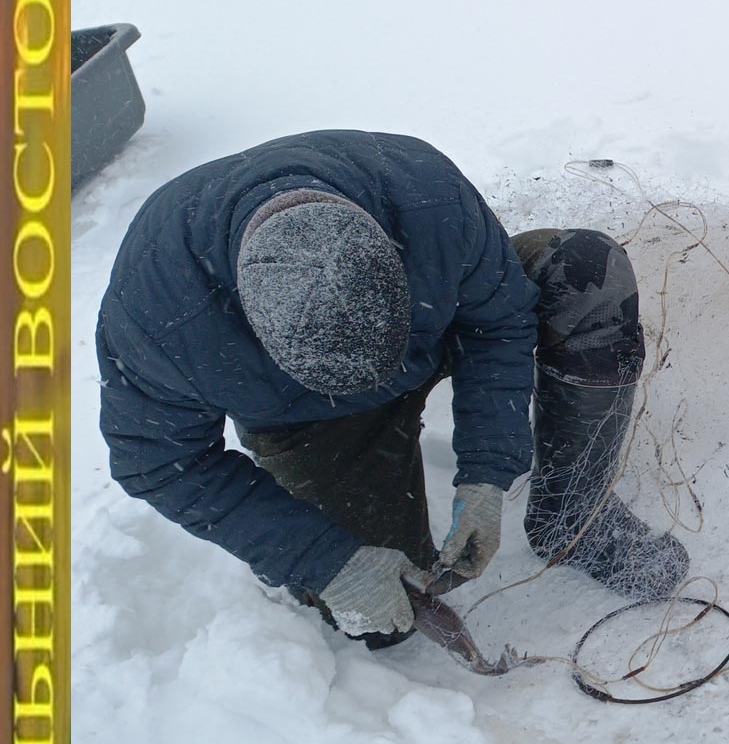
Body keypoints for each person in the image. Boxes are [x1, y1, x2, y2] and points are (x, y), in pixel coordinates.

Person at [96, 129, 689, 647]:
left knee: (585, 271)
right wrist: (326, 561)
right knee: (385, 620)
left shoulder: (424, 197)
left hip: (434, 329)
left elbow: (499, 320)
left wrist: (487, 470)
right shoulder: (158, 309)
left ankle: (572, 515)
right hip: (310, 418)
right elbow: (158, 462)